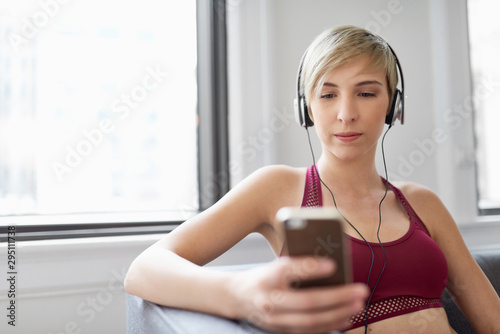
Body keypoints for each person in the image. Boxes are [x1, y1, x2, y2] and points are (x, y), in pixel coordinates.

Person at [125, 25, 500, 333]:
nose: (346, 113)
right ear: (306, 108)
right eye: (327, 94)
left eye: (366, 93)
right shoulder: (278, 188)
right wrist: (239, 292)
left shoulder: (421, 202)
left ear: (393, 106)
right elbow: (145, 269)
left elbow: (491, 319)